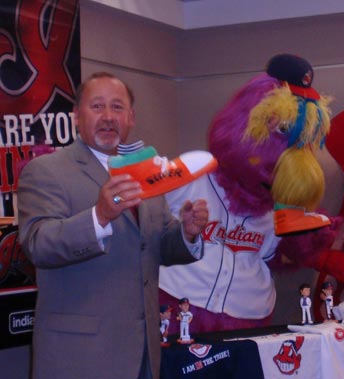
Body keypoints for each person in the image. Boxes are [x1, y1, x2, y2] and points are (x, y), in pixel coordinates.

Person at [18, 72, 208, 379]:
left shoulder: (148, 171)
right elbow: (38, 245)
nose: (108, 117)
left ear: (131, 117)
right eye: (97, 107)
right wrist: (100, 216)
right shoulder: (46, 171)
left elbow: (155, 246)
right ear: (76, 117)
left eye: (117, 107)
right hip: (79, 358)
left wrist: (186, 233)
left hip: (144, 353)